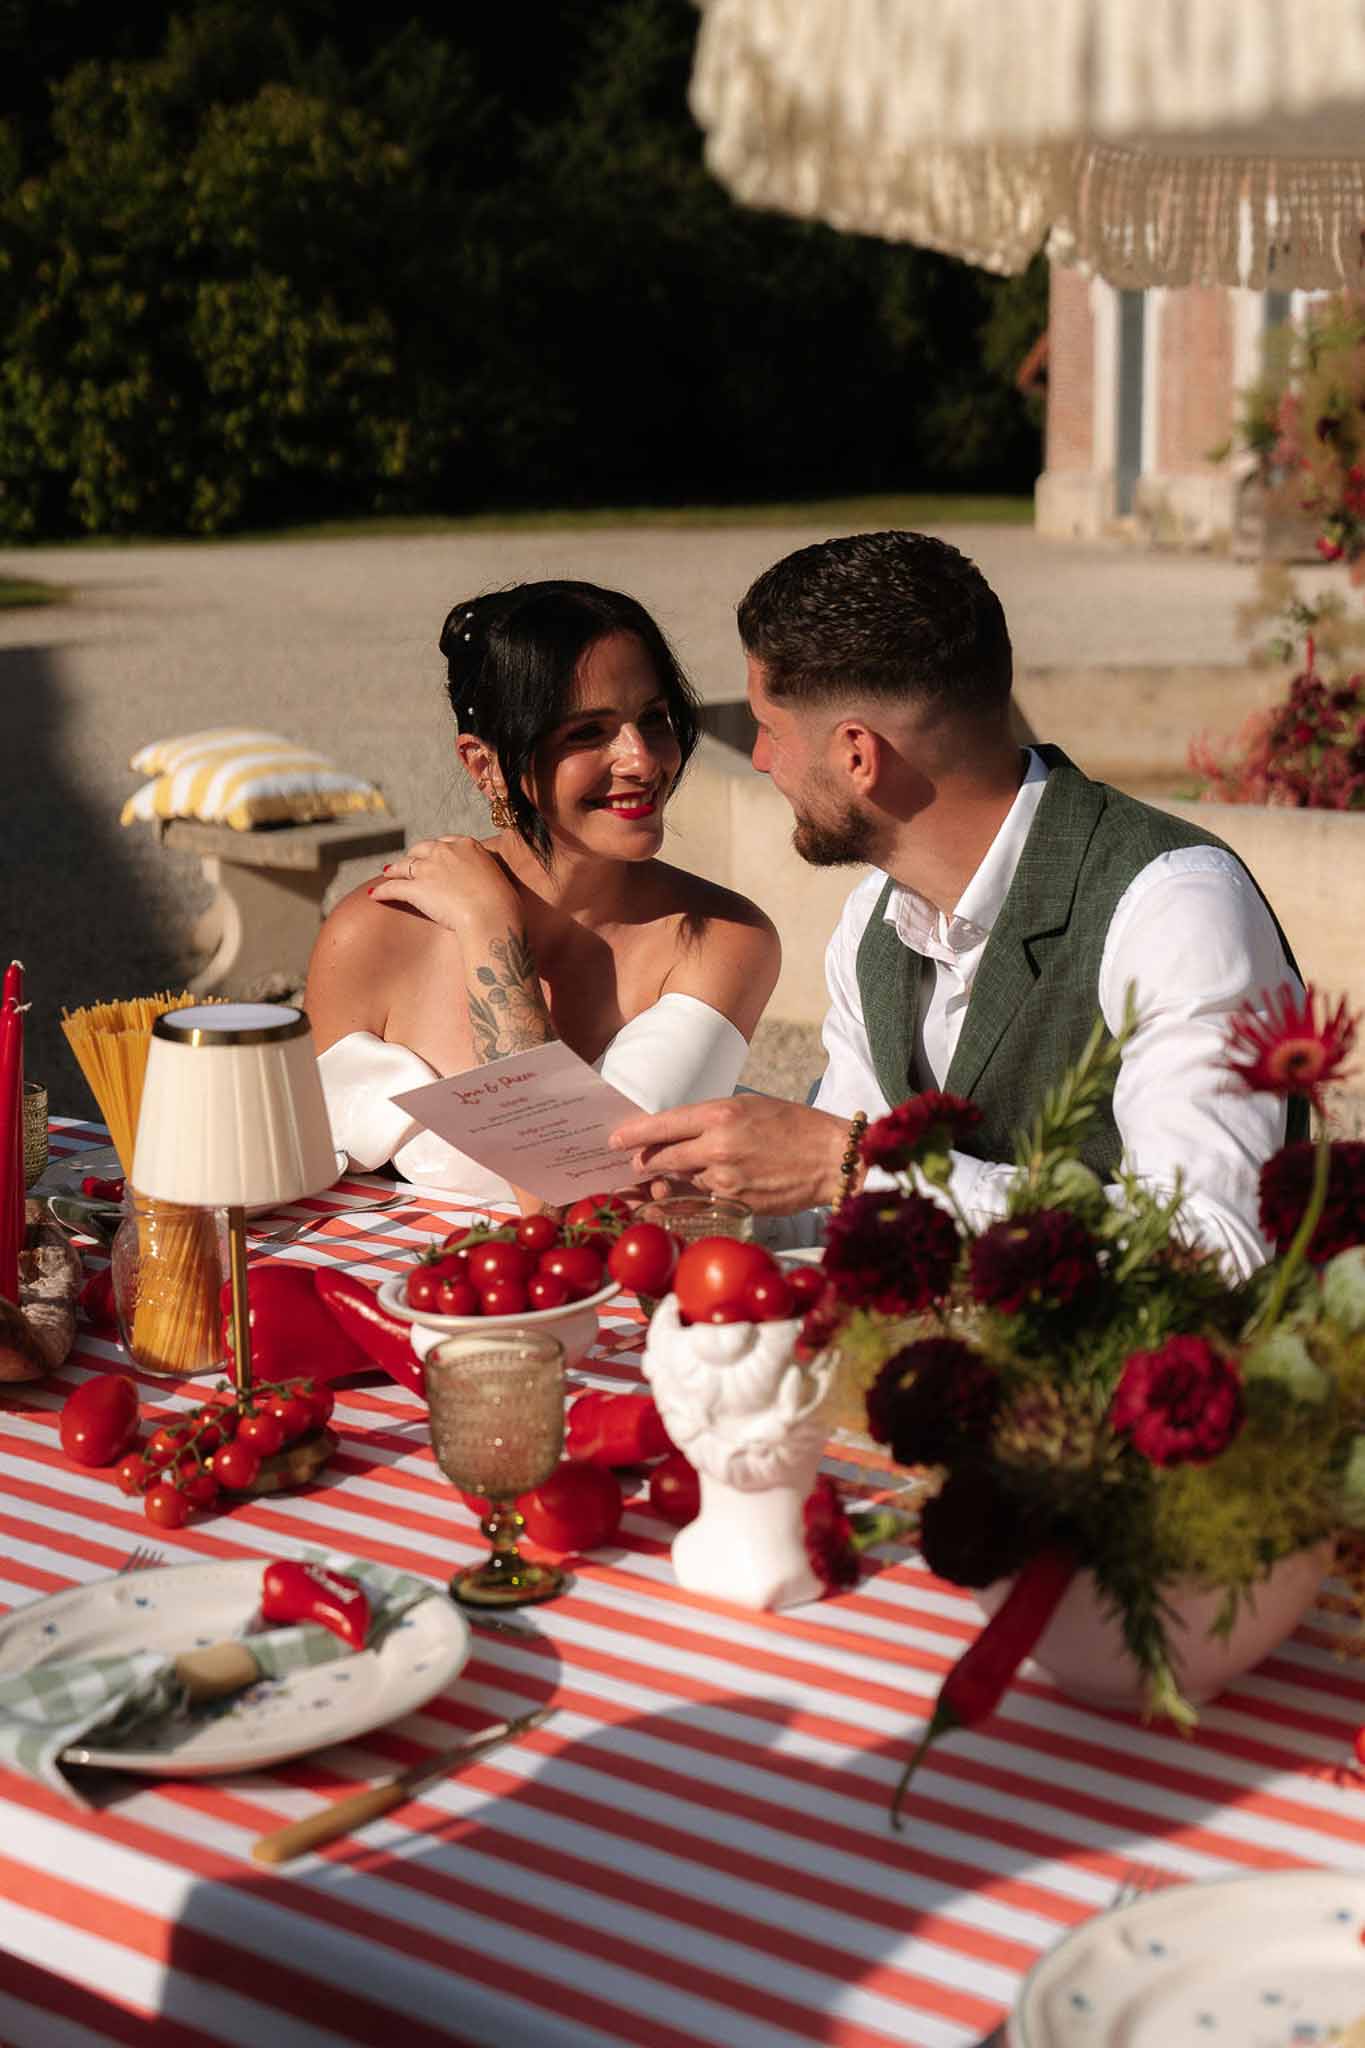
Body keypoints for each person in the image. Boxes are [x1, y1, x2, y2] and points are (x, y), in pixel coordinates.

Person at [610, 530, 1305, 1276]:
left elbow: (1219, 1247)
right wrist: (713, 1200)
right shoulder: (873, 917)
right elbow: (841, 1209)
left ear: (856, 755)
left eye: (770, 731)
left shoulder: (1173, 908)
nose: (758, 761)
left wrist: (853, 1170)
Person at [306, 579, 780, 1203]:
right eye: (587, 733)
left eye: (654, 719)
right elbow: (291, 1168)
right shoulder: (372, 932)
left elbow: (583, 1193)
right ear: (485, 767)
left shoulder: (720, 940)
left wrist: (489, 929)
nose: (641, 760)